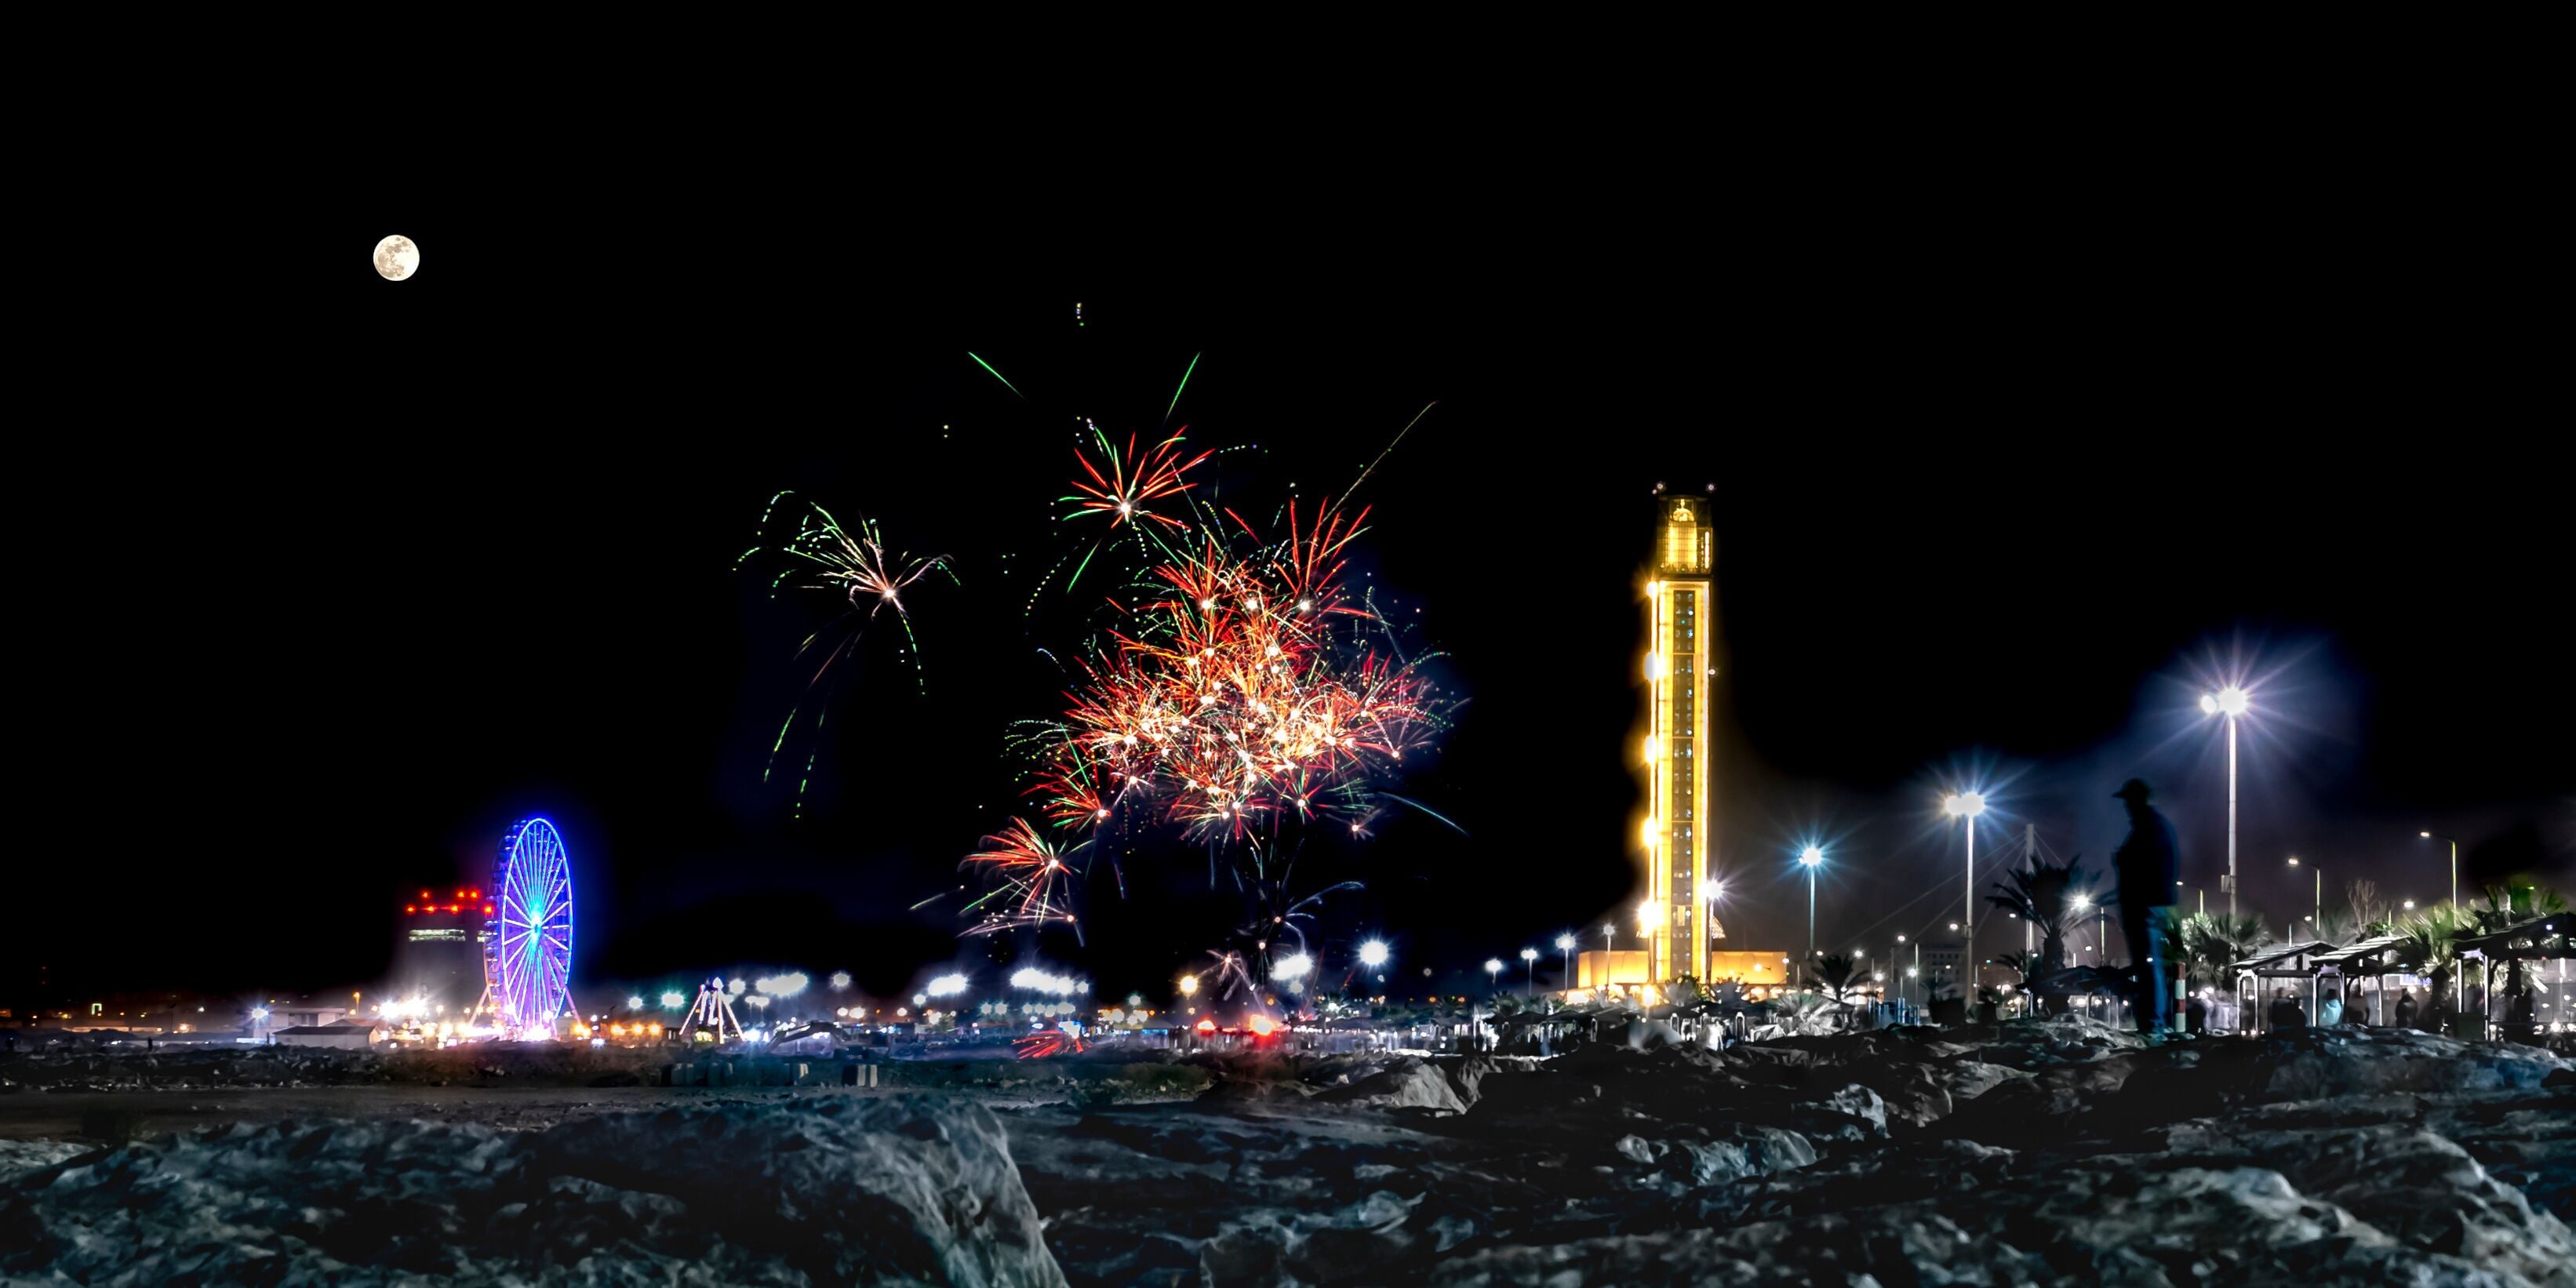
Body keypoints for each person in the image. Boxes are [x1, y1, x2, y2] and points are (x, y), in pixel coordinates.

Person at [2112, 778, 2181, 1034]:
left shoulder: (2149, 827)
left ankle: (2153, 1022)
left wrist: (2123, 860)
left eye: (2128, 801)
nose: (2126, 807)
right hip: (2146, 904)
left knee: (2148, 964)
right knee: (2147, 964)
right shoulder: (2150, 826)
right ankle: (2152, 1021)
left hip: (2144, 905)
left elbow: (2148, 866)